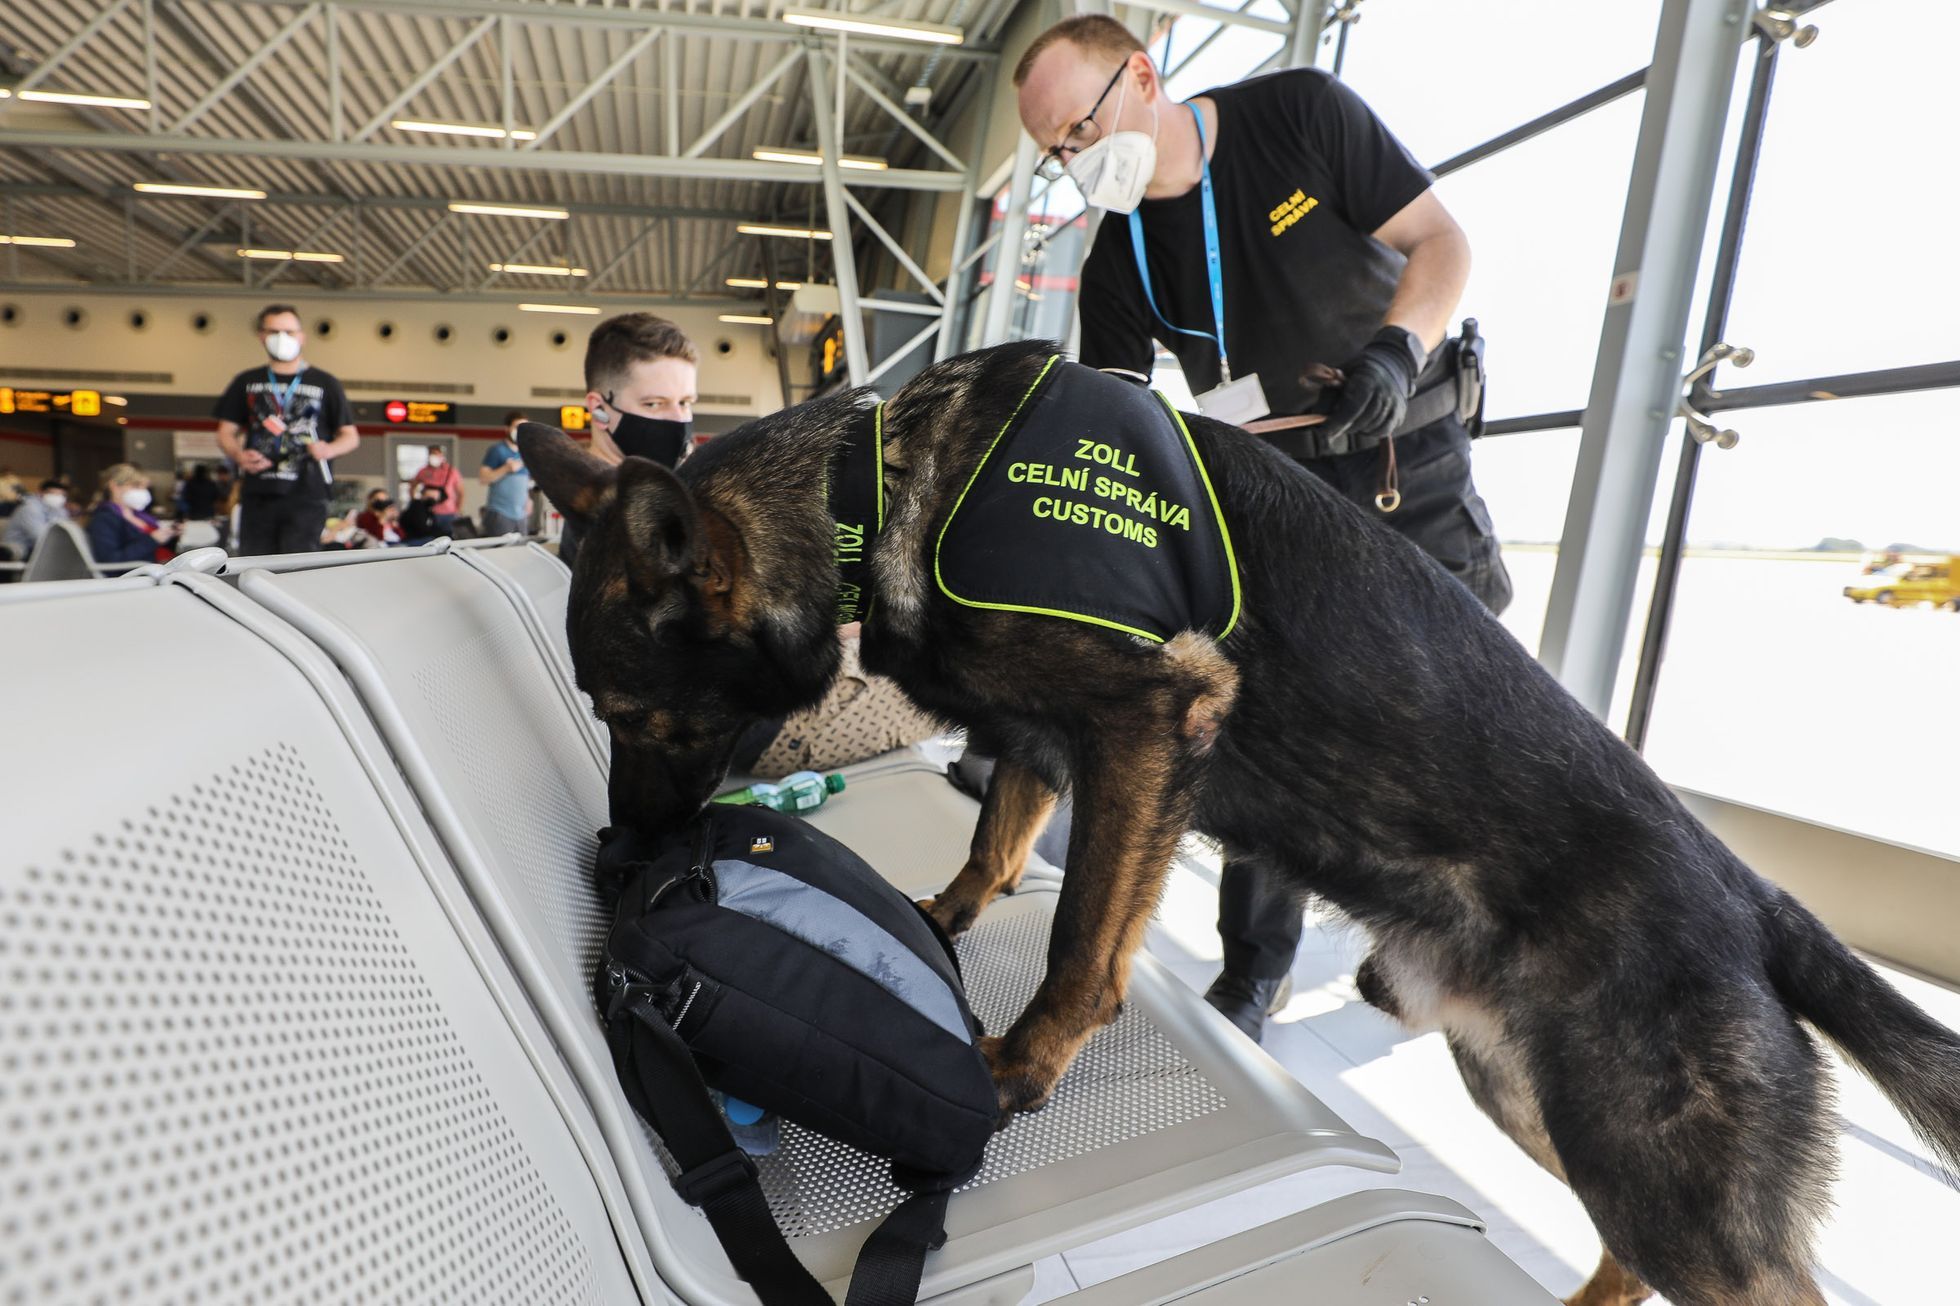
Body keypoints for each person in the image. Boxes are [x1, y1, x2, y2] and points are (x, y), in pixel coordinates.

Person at [1016, 17, 1512, 1042]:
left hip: (1399, 459)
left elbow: (1441, 241)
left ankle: (1476, 943)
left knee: (1471, 703)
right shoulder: (1118, 260)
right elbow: (1116, 420)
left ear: (1142, 75)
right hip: (1276, 492)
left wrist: (1393, 352)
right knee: (1259, 721)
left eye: (1079, 127)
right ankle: (1251, 971)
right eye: (1055, 150)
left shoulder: (1298, 115)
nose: (1073, 159)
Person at [213, 304, 360, 555]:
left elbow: (350, 436)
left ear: (302, 336)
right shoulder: (246, 381)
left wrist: (327, 449)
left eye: (289, 332)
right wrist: (238, 455)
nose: (282, 338)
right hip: (259, 492)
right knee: (255, 563)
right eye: (274, 331)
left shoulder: (325, 383)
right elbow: (225, 431)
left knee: (298, 566)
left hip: (307, 492)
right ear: (262, 336)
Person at [557, 313, 700, 571]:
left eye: (685, 403)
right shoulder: (605, 517)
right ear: (599, 409)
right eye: (654, 404)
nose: (679, 420)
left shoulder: (656, 495)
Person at [87, 464, 180, 565]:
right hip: (141, 574)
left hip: (158, 566)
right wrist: (152, 540)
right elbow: (111, 560)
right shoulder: (104, 519)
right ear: (114, 486)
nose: (142, 491)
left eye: (144, 487)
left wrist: (172, 536)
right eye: (136, 486)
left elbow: (157, 545)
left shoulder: (139, 515)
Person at [479, 411, 533, 537]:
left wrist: (529, 500)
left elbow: (525, 483)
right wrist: (505, 468)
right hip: (500, 514)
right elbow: (483, 478)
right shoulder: (497, 450)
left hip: (521, 514)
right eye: (516, 427)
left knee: (520, 552)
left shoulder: (526, 452)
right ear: (507, 429)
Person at [2, 476, 70, 562]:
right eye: (53, 494)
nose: (57, 498)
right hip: (18, 550)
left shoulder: (60, 510)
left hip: (38, 549)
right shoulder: (29, 509)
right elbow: (41, 538)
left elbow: (67, 533)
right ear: (40, 493)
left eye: (61, 495)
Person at [410, 444, 463, 534]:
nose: (433, 456)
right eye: (431, 454)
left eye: (436, 454)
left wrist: (457, 509)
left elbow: (461, 492)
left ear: (442, 456)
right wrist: (416, 502)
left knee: (448, 537)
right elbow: (413, 486)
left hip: (448, 512)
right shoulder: (423, 471)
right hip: (428, 512)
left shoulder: (452, 471)